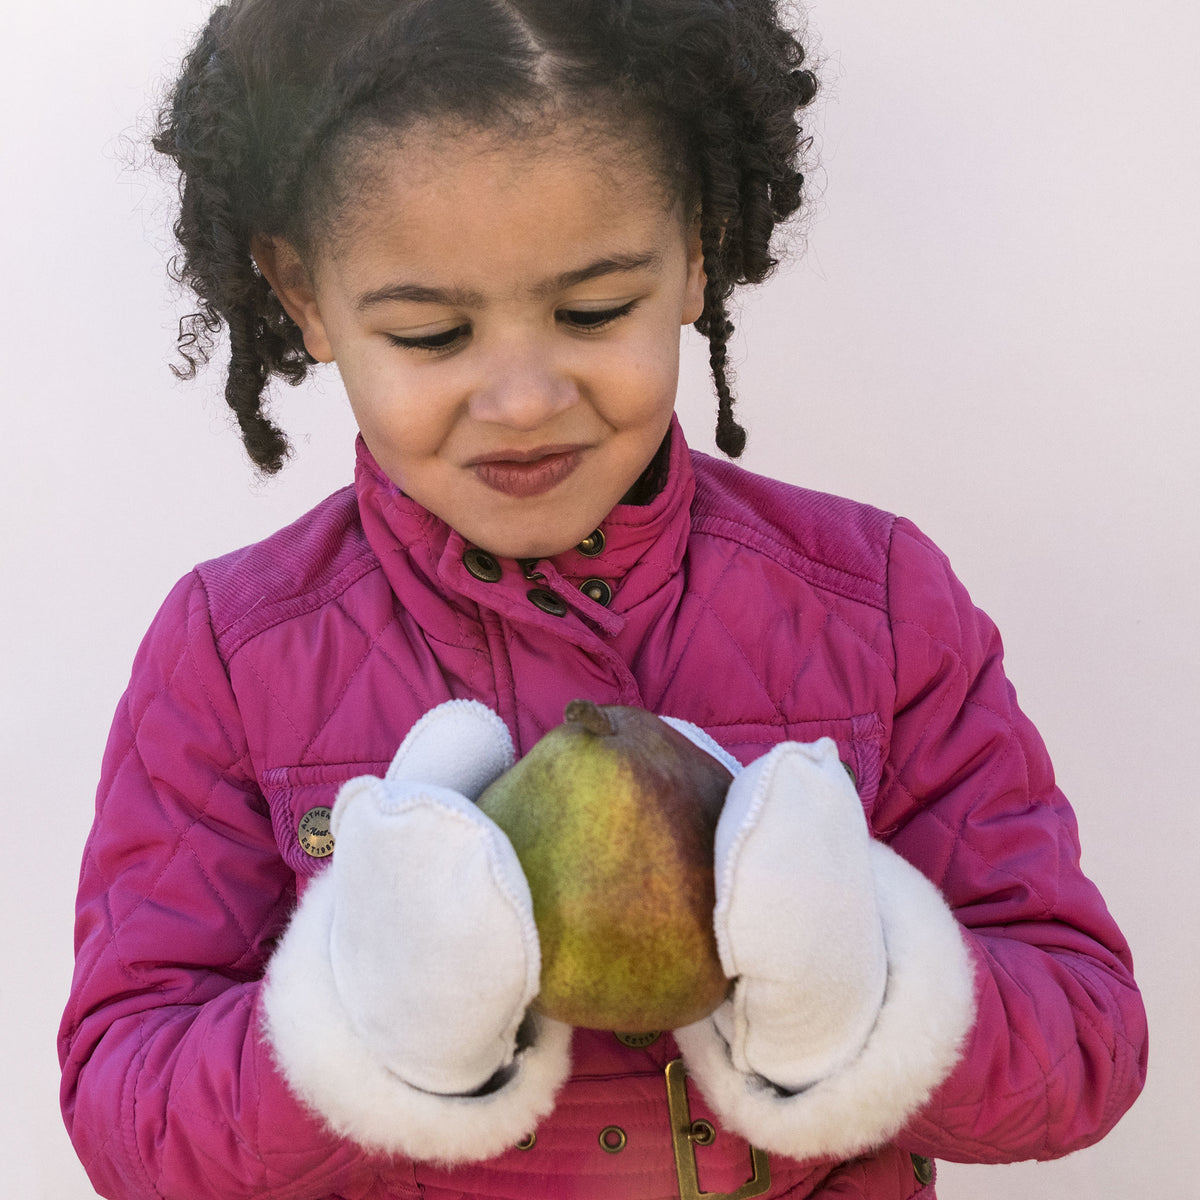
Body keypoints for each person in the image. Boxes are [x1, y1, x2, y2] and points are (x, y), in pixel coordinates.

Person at [58, 1, 1148, 1197]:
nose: (523, 396)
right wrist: (364, 1020)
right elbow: (129, 1110)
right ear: (304, 294)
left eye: (592, 312)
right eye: (432, 333)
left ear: (698, 247)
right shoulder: (231, 657)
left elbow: (1090, 1045)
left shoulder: (877, 606)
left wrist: (867, 989)